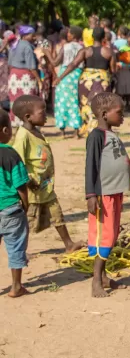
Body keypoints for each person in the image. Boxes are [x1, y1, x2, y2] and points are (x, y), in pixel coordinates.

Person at [10, 95, 83, 252]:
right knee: (28, 221)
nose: (46, 115)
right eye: (42, 112)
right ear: (28, 117)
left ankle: (68, 244)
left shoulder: (36, 131)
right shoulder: (23, 136)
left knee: (57, 214)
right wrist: (28, 181)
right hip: (32, 191)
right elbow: (17, 162)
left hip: (46, 186)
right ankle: (18, 251)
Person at [85, 92, 130, 298]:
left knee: (112, 234)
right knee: (104, 236)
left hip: (115, 193)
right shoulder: (96, 136)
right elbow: (90, 167)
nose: (123, 116)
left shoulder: (111, 134)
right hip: (103, 195)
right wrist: (90, 194)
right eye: (119, 112)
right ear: (104, 114)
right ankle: (95, 282)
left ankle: (103, 277)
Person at [65, 27, 115, 138]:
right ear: (104, 38)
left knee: (86, 107)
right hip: (102, 82)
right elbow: (113, 70)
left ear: (92, 37)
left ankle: (89, 132)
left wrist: (60, 78)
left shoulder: (85, 51)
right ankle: (98, 133)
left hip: (85, 81)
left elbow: (73, 64)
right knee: (100, 108)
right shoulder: (108, 52)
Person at [0, 111, 30, 298]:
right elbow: (21, 185)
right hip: (11, 209)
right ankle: (16, 286)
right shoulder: (11, 154)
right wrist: (25, 205)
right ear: (5, 130)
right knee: (16, 246)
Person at [51, 26, 84, 137]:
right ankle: (76, 130)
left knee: (62, 101)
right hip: (77, 75)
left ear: (74, 35)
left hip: (65, 74)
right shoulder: (82, 47)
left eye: (69, 33)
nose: (67, 35)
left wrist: (46, 53)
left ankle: (62, 130)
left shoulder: (66, 47)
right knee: (76, 101)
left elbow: (55, 63)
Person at [7, 26, 41, 127]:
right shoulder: (27, 46)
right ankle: (26, 124)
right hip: (25, 77)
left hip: (14, 76)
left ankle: (16, 124)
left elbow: (9, 64)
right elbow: (31, 67)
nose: (34, 37)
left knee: (16, 101)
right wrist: (39, 80)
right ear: (25, 36)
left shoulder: (14, 45)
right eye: (32, 35)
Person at [114, 28, 130, 113]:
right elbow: (118, 57)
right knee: (123, 89)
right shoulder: (123, 48)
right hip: (123, 69)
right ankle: (123, 105)